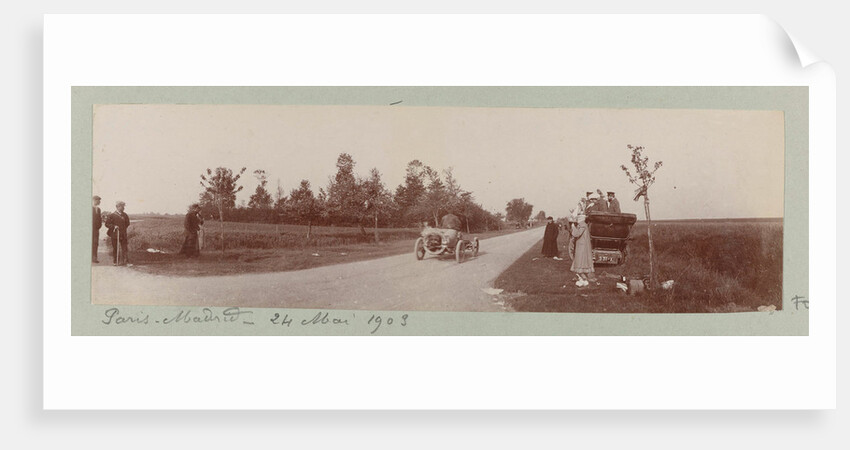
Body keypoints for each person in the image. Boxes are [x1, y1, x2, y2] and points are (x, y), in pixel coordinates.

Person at [570, 214, 595, 287]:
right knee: (581, 261)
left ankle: (584, 279)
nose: (577, 220)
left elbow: (577, 234)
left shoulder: (582, 225)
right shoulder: (583, 225)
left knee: (580, 261)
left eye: (578, 218)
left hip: (582, 246)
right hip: (582, 245)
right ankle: (583, 278)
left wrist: (573, 227)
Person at [105, 200, 130, 266]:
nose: (123, 208)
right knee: (115, 248)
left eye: (123, 206)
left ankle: (126, 261)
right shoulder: (112, 215)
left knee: (124, 248)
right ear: (117, 207)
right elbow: (107, 224)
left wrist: (122, 229)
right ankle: (115, 261)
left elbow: (127, 223)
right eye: (122, 206)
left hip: (123, 234)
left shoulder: (125, 215)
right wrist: (114, 226)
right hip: (115, 235)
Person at [92, 195, 103, 263]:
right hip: (90, 229)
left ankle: (94, 258)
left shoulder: (98, 209)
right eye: (98, 200)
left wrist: (99, 226)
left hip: (96, 229)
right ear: (94, 200)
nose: (99, 202)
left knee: (95, 243)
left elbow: (99, 219)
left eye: (99, 200)